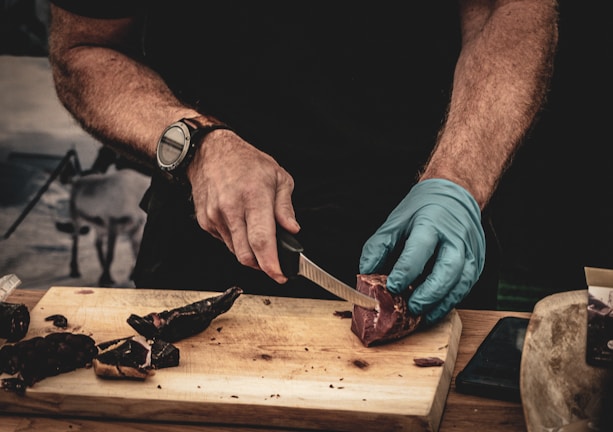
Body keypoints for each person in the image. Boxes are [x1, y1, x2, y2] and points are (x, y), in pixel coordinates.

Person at [47, 0, 558, 325]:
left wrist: (458, 182)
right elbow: (83, 46)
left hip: (424, 240)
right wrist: (198, 143)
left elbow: (508, 9)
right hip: (208, 244)